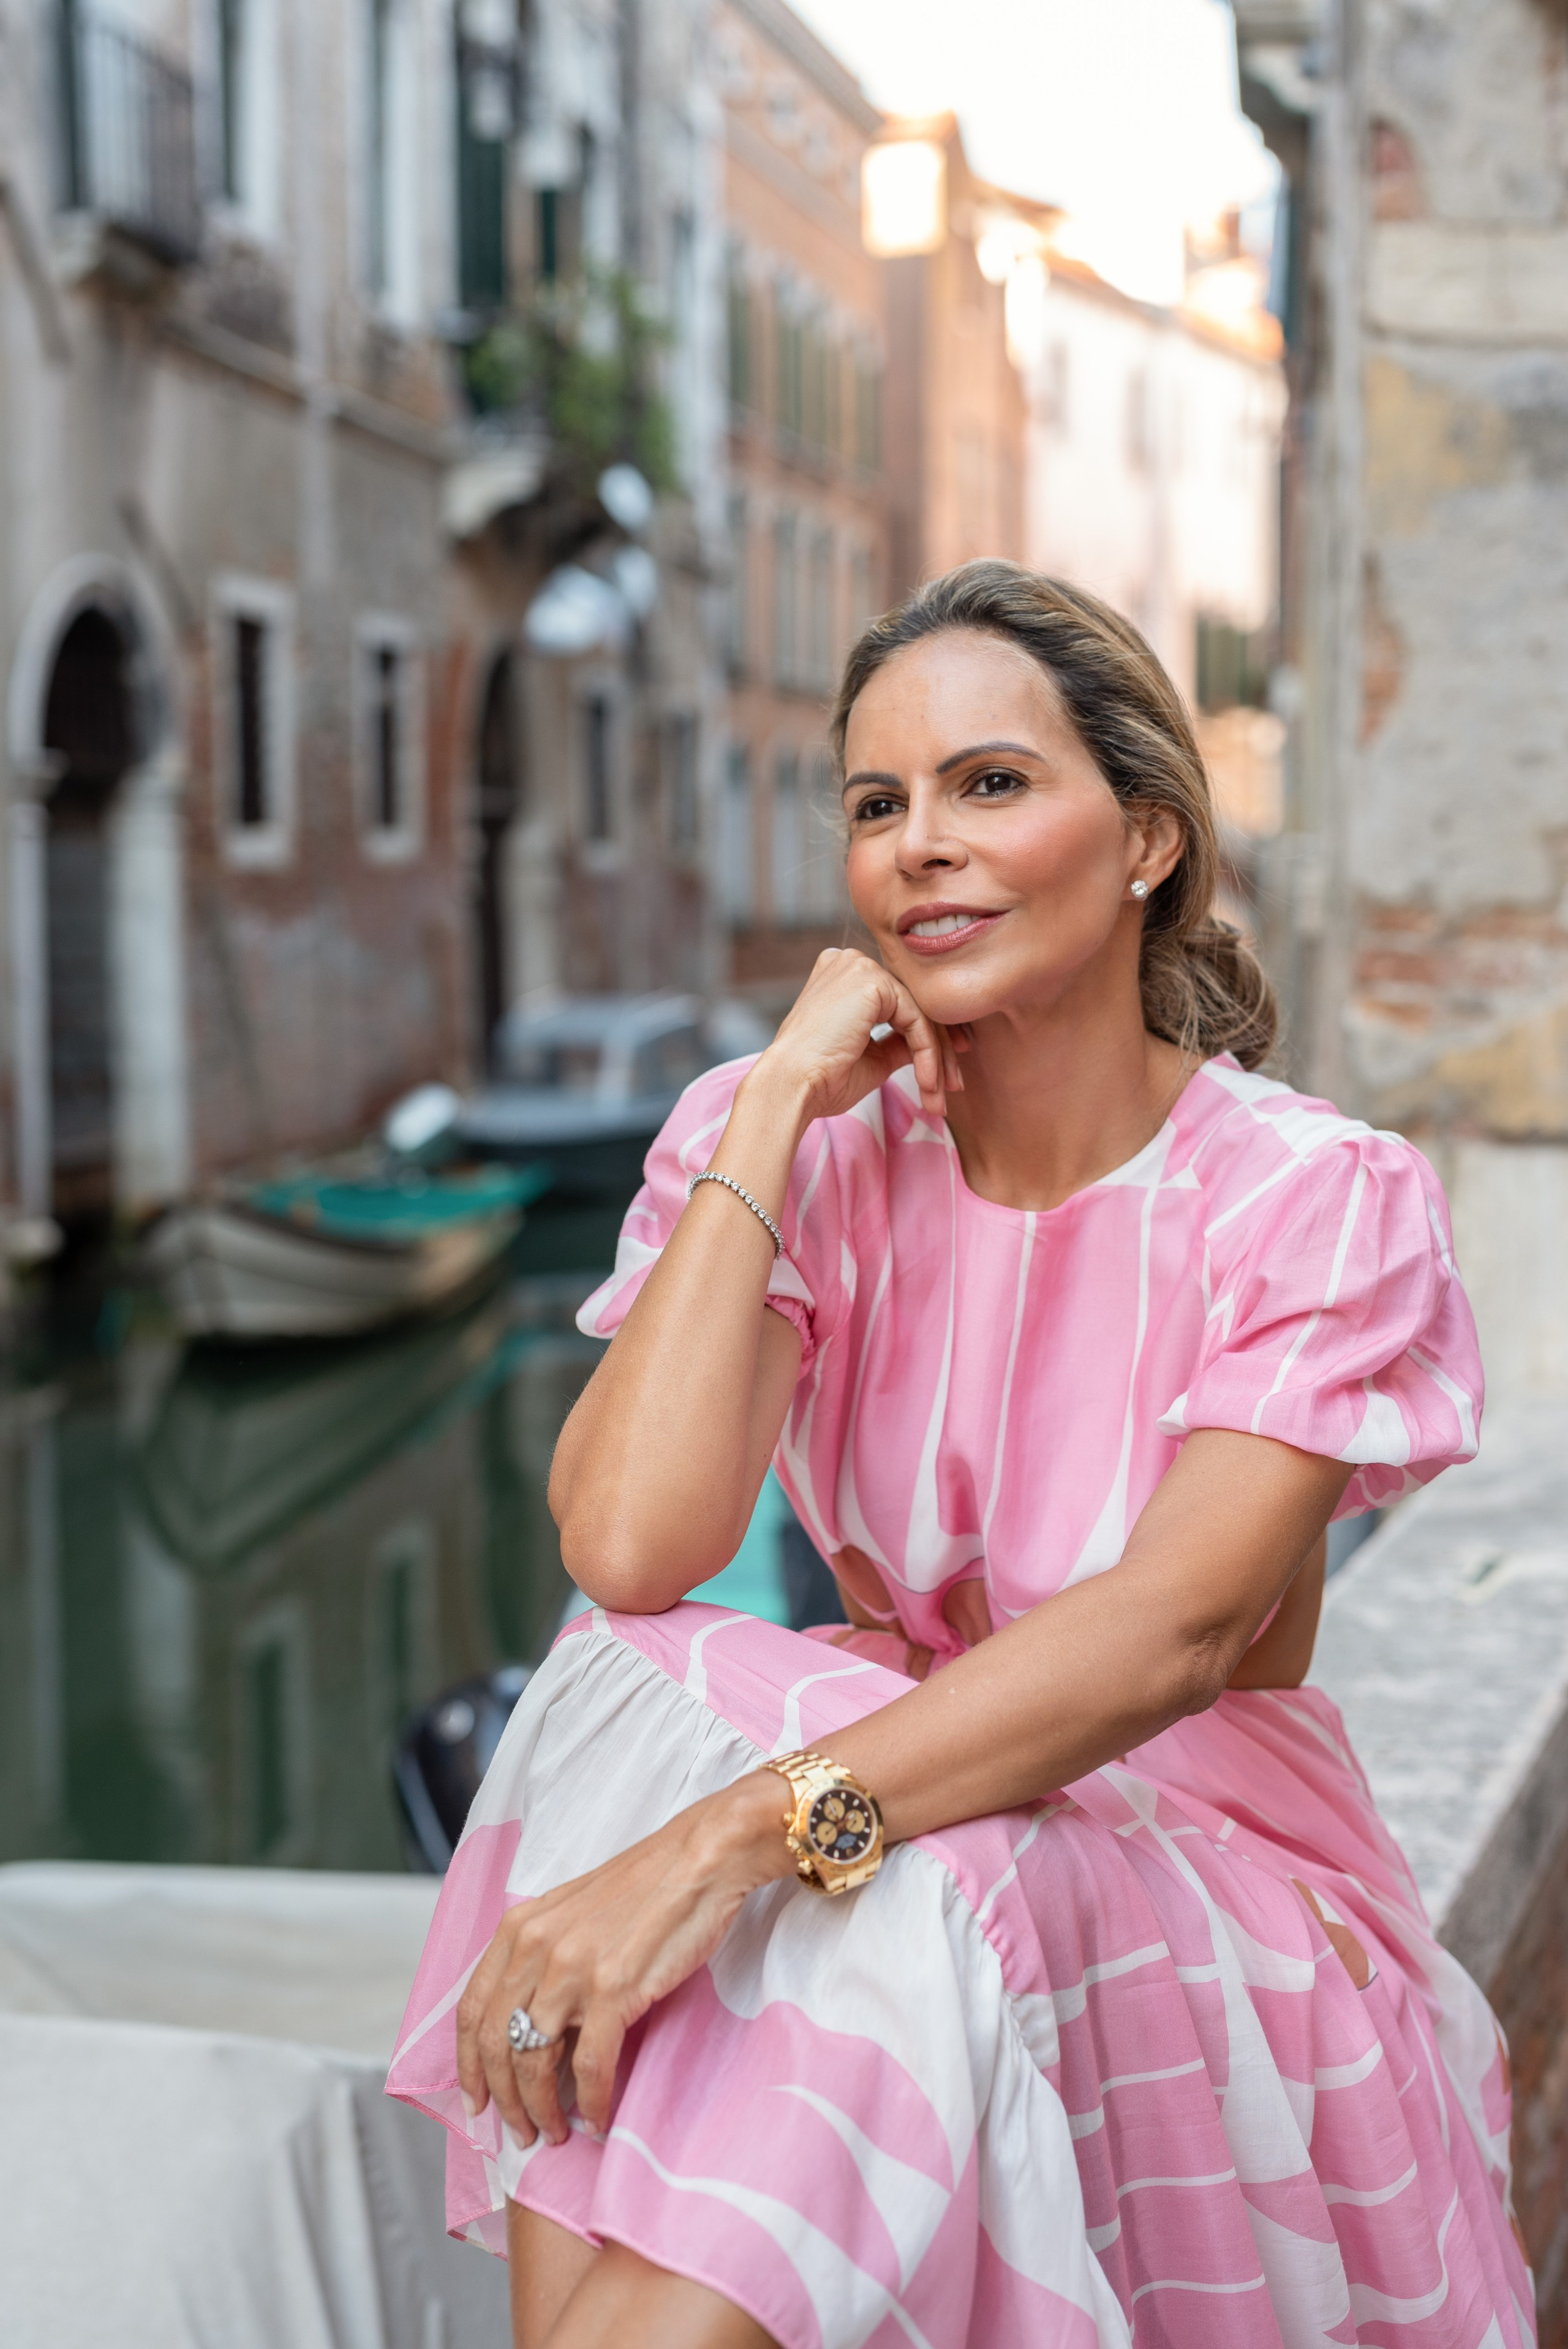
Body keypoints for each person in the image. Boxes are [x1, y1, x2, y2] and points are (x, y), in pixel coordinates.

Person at [388, 563, 1530, 2349]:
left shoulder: (1315, 1200)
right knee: (638, 1676)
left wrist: (721, 1850)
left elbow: (1170, 1641)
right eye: (877, 801)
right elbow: (629, 1540)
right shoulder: (816, 1147)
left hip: (1189, 1876)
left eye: (990, 783)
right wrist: (770, 1104)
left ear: (1146, 836)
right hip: (908, 1848)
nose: (922, 841)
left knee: (899, 1868)